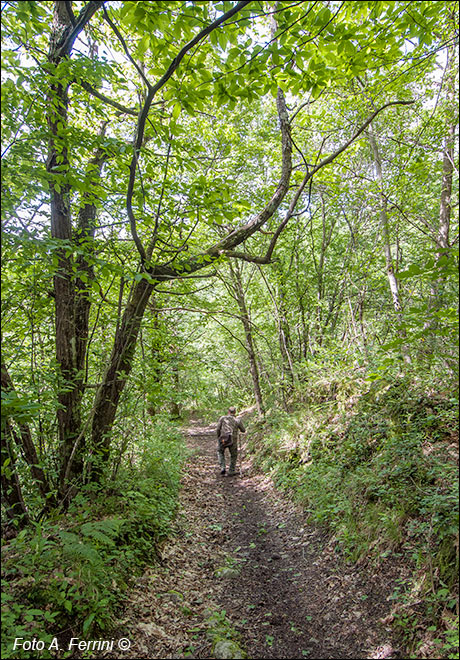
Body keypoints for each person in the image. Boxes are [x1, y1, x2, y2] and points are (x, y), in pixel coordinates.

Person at [216, 406, 246, 476]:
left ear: (228, 412)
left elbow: (218, 429)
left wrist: (218, 437)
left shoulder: (222, 418)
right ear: (235, 412)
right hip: (233, 440)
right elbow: (243, 430)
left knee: (220, 451)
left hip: (223, 439)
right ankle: (231, 470)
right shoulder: (237, 420)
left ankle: (223, 467)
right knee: (233, 455)